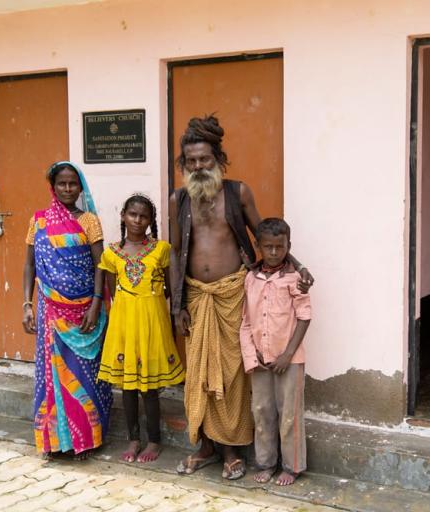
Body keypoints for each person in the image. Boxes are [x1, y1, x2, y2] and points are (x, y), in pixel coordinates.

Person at [170, 115, 314, 480]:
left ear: (218, 159)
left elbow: (266, 238)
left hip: (235, 295)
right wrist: (177, 304)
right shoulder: (179, 199)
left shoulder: (238, 193)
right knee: (198, 376)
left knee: (233, 376)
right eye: (191, 161)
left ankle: (232, 450)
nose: (199, 166)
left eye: (205, 159)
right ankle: (204, 446)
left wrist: (298, 267)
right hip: (197, 299)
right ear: (183, 165)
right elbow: (174, 251)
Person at [22, 161, 112, 459]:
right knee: (52, 374)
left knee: (84, 372)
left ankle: (87, 438)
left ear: (80, 186)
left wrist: (97, 303)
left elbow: (101, 265)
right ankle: (56, 441)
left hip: (85, 308)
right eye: (62, 183)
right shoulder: (39, 221)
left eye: (73, 183)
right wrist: (27, 303)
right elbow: (29, 265)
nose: (68, 189)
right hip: (51, 310)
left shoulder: (89, 221)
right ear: (53, 186)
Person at [97, 194, 185, 463]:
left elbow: (171, 290)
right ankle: (133, 439)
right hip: (124, 325)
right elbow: (113, 292)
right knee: (128, 386)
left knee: (149, 387)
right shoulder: (111, 253)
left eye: (143, 216)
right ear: (123, 215)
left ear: (150, 221)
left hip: (152, 324)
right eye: (132, 214)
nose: (137, 220)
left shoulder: (161, 250)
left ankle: (154, 440)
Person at [240, 218, 312, 486]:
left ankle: (292, 467)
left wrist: (287, 355)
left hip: (289, 361)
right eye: (267, 247)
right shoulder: (251, 278)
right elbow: (245, 321)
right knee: (262, 411)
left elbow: (304, 317)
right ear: (258, 246)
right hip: (259, 361)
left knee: (289, 414)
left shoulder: (297, 280)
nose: (273, 252)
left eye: (279, 247)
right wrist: (252, 355)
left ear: (288, 246)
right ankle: (266, 462)